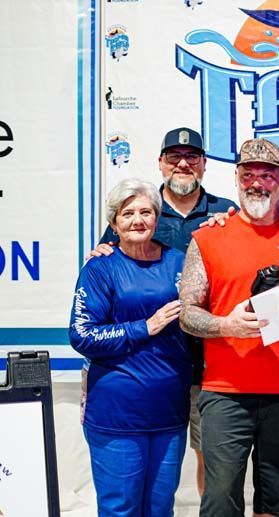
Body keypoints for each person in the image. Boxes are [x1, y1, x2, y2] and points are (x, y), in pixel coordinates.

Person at [179, 138, 279, 517]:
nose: (257, 182)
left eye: (267, 175)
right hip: (226, 393)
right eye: (249, 174)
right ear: (237, 178)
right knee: (220, 499)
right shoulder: (208, 237)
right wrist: (227, 324)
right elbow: (187, 313)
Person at [92, 126, 236, 497]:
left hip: (212, 362)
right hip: (153, 366)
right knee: (146, 473)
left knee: (212, 459)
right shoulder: (140, 210)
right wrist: (99, 252)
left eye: (191, 158)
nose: (183, 164)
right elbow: (107, 270)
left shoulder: (225, 213)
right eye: (174, 157)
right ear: (161, 163)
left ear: (204, 164)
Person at [69, 178, 191, 516]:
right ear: (114, 223)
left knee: (160, 508)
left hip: (169, 411)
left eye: (146, 212)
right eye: (128, 213)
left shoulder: (179, 261)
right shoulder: (100, 267)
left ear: (157, 217)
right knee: (120, 509)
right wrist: (145, 327)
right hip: (117, 415)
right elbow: (82, 335)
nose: (138, 220)